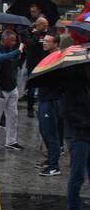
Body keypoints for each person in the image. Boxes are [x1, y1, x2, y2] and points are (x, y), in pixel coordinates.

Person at [60, 65, 90, 210]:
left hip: (86, 134)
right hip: (78, 135)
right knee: (77, 174)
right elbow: (66, 112)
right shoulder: (73, 86)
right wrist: (85, 123)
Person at [0, 29, 24, 152]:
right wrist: (17, 52)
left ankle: (11, 141)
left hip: (12, 87)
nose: (14, 42)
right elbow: (0, 58)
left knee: (13, 116)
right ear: (5, 40)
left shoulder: (10, 50)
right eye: (12, 40)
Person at [36, 33, 63, 177]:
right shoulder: (48, 56)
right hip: (44, 98)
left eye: (48, 41)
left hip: (51, 99)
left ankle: (54, 166)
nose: (44, 43)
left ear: (55, 43)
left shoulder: (58, 58)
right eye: (44, 40)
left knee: (50, 132)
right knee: (45, 131)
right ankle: (51, 160)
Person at [21, 16, 50, 118]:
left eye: (47, 26)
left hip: (45, 63)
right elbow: (30, 44)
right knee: (32, 87)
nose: (46, 28)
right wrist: (36, 34)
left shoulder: (47, 33)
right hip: (32, 64)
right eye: (44, 26)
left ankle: (42, 108)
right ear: (39, 25)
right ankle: (30, 108)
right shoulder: (27, 32)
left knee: (44, 87)